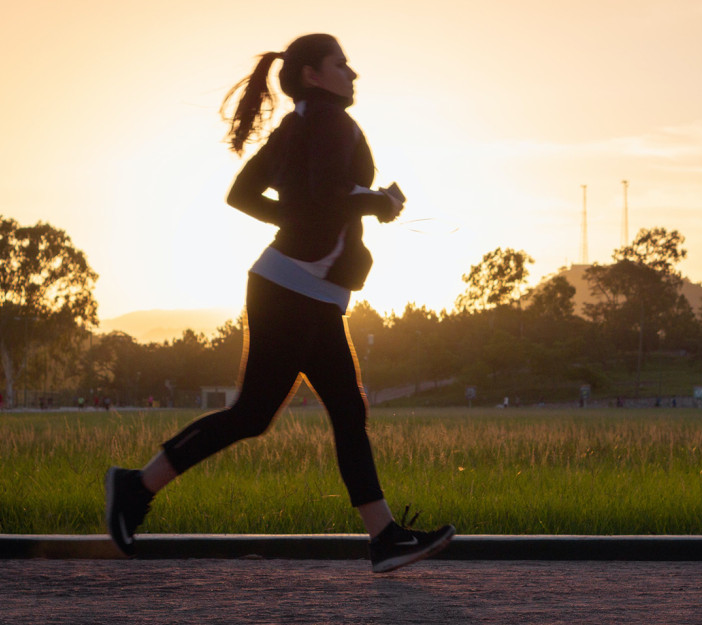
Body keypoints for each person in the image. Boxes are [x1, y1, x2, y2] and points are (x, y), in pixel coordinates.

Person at [105, 33, 454, 573]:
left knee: (343, 408)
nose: (352, 73)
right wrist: (380, 201)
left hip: (299, 287)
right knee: (257, 413)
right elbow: (325, 195)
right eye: (342, 64)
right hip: (292, 289)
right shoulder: (331, 124)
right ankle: (135, 486)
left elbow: (243, 194)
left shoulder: (297, 126)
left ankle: (384, 537)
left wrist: (300, 222)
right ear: (314, 74)